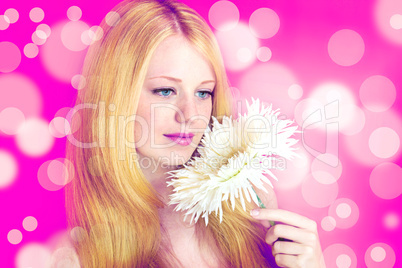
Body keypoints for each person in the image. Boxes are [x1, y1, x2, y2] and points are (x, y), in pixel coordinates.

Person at [65, 0, 326, 267]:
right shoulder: (79, 256)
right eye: (165, 91)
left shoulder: (249, 201)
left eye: (203, 93)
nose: (190, 114)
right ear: (116, 95)